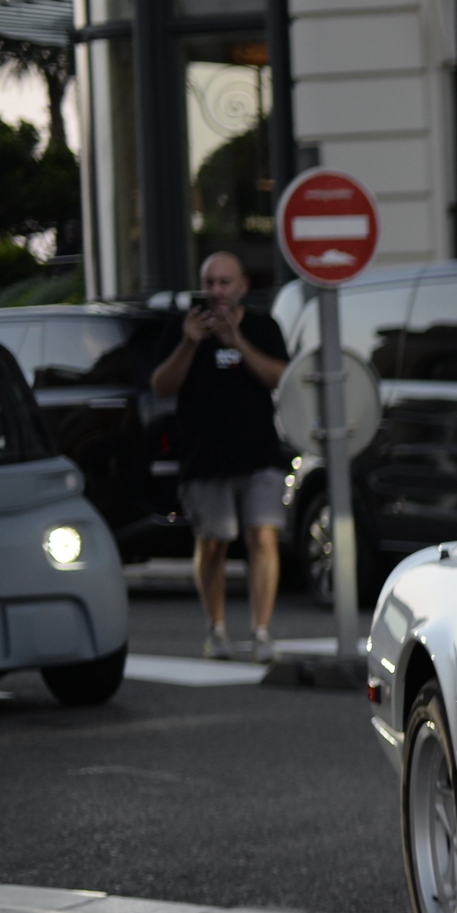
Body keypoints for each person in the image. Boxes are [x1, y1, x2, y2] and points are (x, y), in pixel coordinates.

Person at [149, 251, 288, 661]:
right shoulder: (183, 327)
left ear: (243, 286)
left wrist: (238, 344)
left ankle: (262, 632)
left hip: (259, 454)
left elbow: (281, 377)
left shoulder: (263, 327)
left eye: (225, 283)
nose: (216, 292)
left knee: (262, 536)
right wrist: (190, 343)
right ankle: (217, 628)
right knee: (213, 543)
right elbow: (161, 386)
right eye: (210, 283)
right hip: (204, 457)